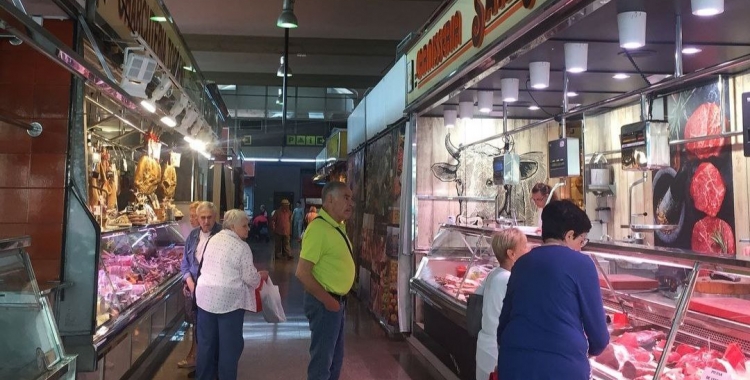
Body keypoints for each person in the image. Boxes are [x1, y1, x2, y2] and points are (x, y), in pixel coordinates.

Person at [496, 200, 609, 380]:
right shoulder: (582, 264)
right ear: (569, 236)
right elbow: (600, 338)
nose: (581, 247)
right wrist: (590, 351)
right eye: (582, 240)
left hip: (514, 364)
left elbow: (503, 325)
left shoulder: (522, 263)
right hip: (561, 368)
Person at [195, 209, 269, 380]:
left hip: (205, 298)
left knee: (206, 345)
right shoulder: (241, 247)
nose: (248, 229)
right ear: (233, 227)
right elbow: (250, 277)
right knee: (229, 348)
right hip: (229, 303)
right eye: (244, 226)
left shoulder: (212, 239)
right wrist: (261, 277)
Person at [295, 182, 355, 380]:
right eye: (345, 197)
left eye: (351, 198)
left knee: (334, 360)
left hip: (335, 303)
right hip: (324, 304)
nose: (350, 203)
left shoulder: (336, 227)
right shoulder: (319, 229)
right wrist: (328, 301)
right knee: (322, 362)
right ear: (330, 199)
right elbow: (302, 273)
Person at [475, 228, 529, 380]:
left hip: (485, 346)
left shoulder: (494, 273)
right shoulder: (509, 280)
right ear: (512, 254)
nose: (529, 249)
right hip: (498, 351)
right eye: (525, 246)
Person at [178, 201, 221, 372]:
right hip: (194, 290)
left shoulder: (222, 235)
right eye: (202, 217)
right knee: (198, 328)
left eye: (209, 217)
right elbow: (185, 263)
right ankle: (202, 367)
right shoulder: (193, 236)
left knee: (212, 332)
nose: (206, 221)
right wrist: (188, 281)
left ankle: (211, 368)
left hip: (213, 291)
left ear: (215, 217)